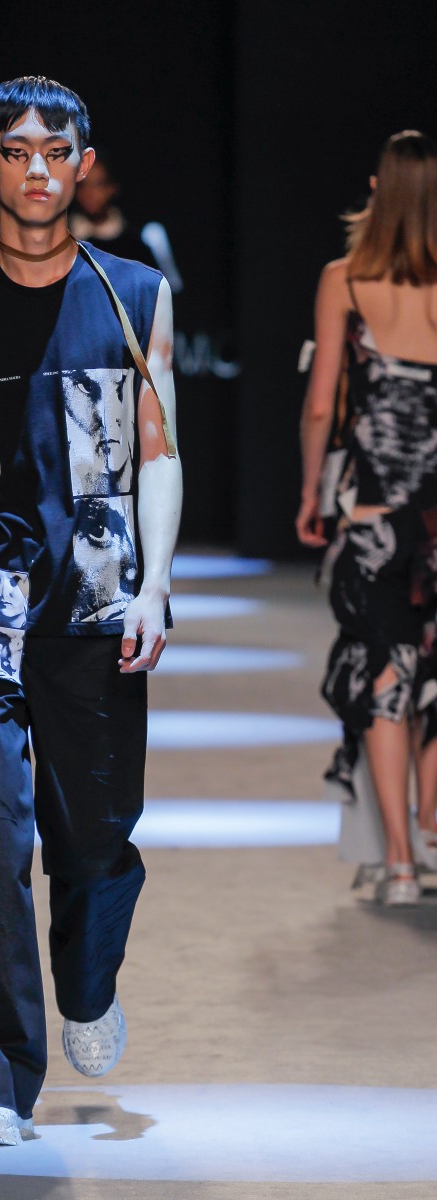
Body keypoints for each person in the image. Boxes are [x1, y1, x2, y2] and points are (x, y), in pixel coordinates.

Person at [0, 76, 182, 1146]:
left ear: (82, 163)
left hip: (97, 595)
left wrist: (154, 583)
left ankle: (88, 982)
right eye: (16, 152)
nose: (37, 171)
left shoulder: (134, 295)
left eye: (55, 152)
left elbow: (158, 450)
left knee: (93, 839)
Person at [296, 130, 437, 906]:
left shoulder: (345, 278)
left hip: (378, 515)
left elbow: (322, 404)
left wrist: (311, 493)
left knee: (387, 672)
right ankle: (431, 823)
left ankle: (402, 865)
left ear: (378, 190)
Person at [69, 147, 184, 292]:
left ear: (112, 188)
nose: (89, 193)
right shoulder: (64, 238)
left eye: (98, 184)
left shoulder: (135, 244)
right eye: (83, 185)